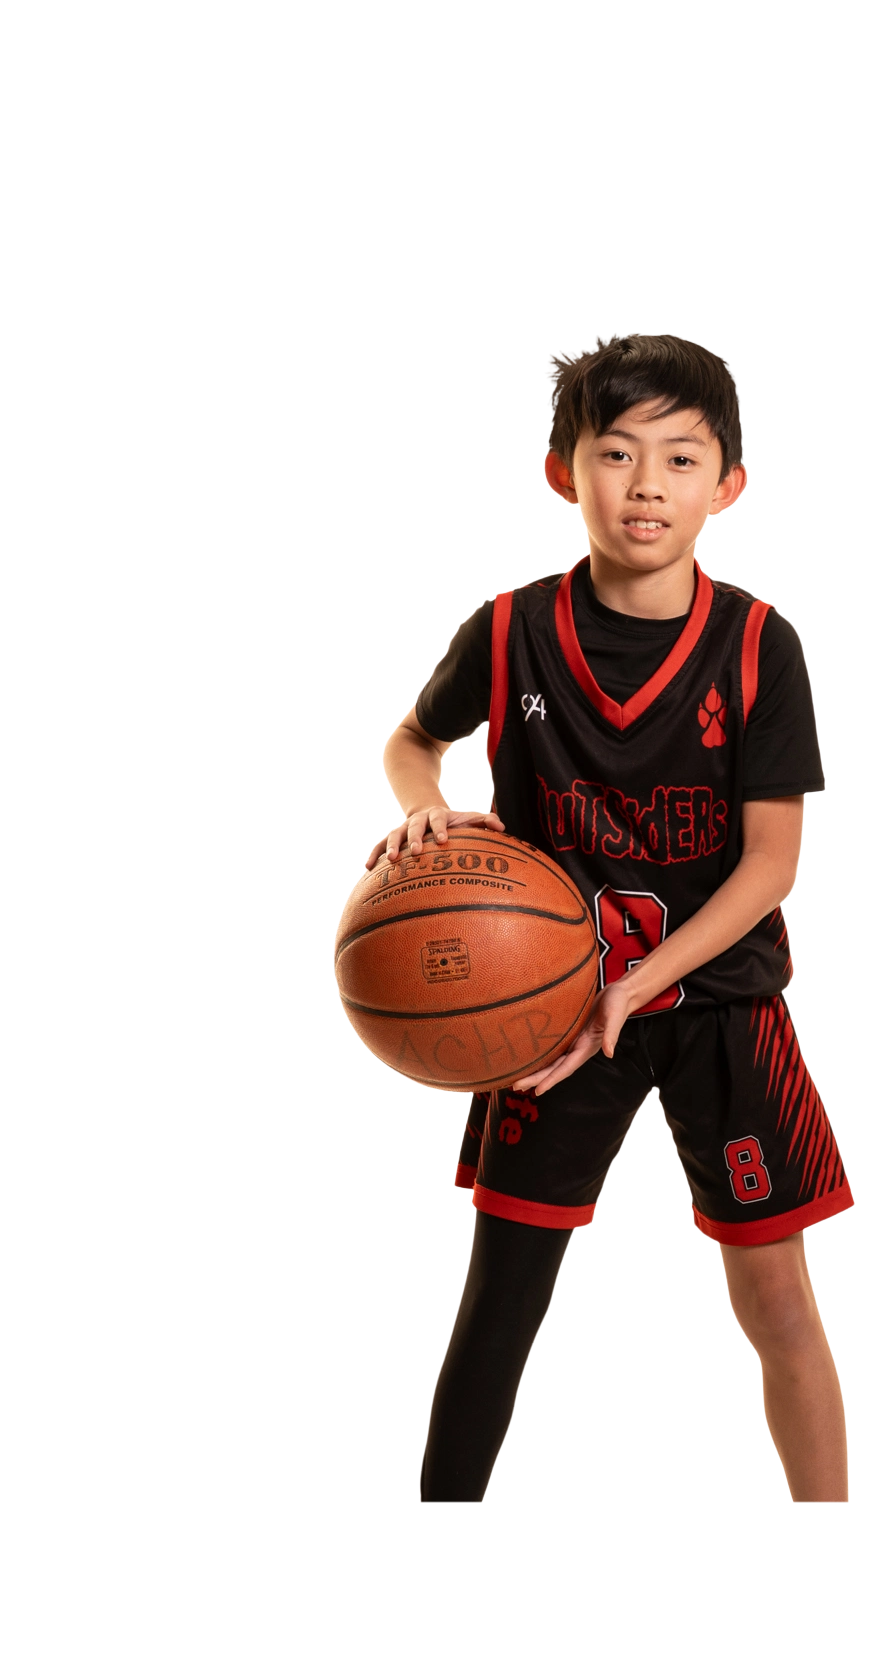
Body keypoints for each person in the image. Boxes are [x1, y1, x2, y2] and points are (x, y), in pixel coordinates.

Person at [365, 332, 853, 1503]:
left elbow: (771, 864)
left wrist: (639, 983)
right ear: (563, 469)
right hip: (547, 1013)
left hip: (719, 1004)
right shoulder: (510, 630)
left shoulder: (758, 645)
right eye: (616, 451)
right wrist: (424, 806)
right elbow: (412, 739)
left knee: (777, 1300)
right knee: (501, 1299)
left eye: (680, 458)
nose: (645, 483)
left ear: (726, 485)